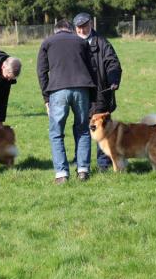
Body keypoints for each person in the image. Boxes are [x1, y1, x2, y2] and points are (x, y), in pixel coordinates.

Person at [37, 19, 96, 184]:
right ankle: (83, 170)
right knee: (83, 129)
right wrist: (92, 95)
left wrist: (46, 97)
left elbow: (41, 71)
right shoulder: (81, 42)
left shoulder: (47, 42)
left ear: (56, 30)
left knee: (56, 133)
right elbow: (92, 68)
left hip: (58, 90)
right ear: (71, 29)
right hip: (82, 89)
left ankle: (62, 174)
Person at [73, 12, 122, 172]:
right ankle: (80, 160)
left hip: (101, 91)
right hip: (80, 92)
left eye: (84, 26)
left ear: (91, 25)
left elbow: (112, 62)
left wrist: (113, 79)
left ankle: (103, 163)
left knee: (103, 127)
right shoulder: (72, 44)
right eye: (79, 28)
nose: (81, 30)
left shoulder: (102, 43)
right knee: (80, 126)